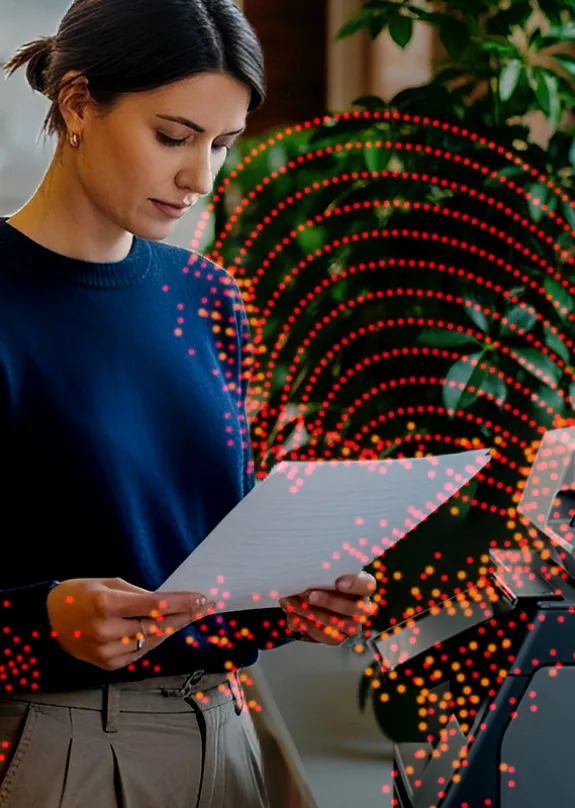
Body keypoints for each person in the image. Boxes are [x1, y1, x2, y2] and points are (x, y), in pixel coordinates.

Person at [0, 0, 376, 805]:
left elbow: (208, 565)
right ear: (75, 103)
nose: (199, 177)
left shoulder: (209, 296)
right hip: (55, 746)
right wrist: (40, 629)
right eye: (172, 136)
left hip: (232, 730)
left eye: (220, 144)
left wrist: (292, 599)